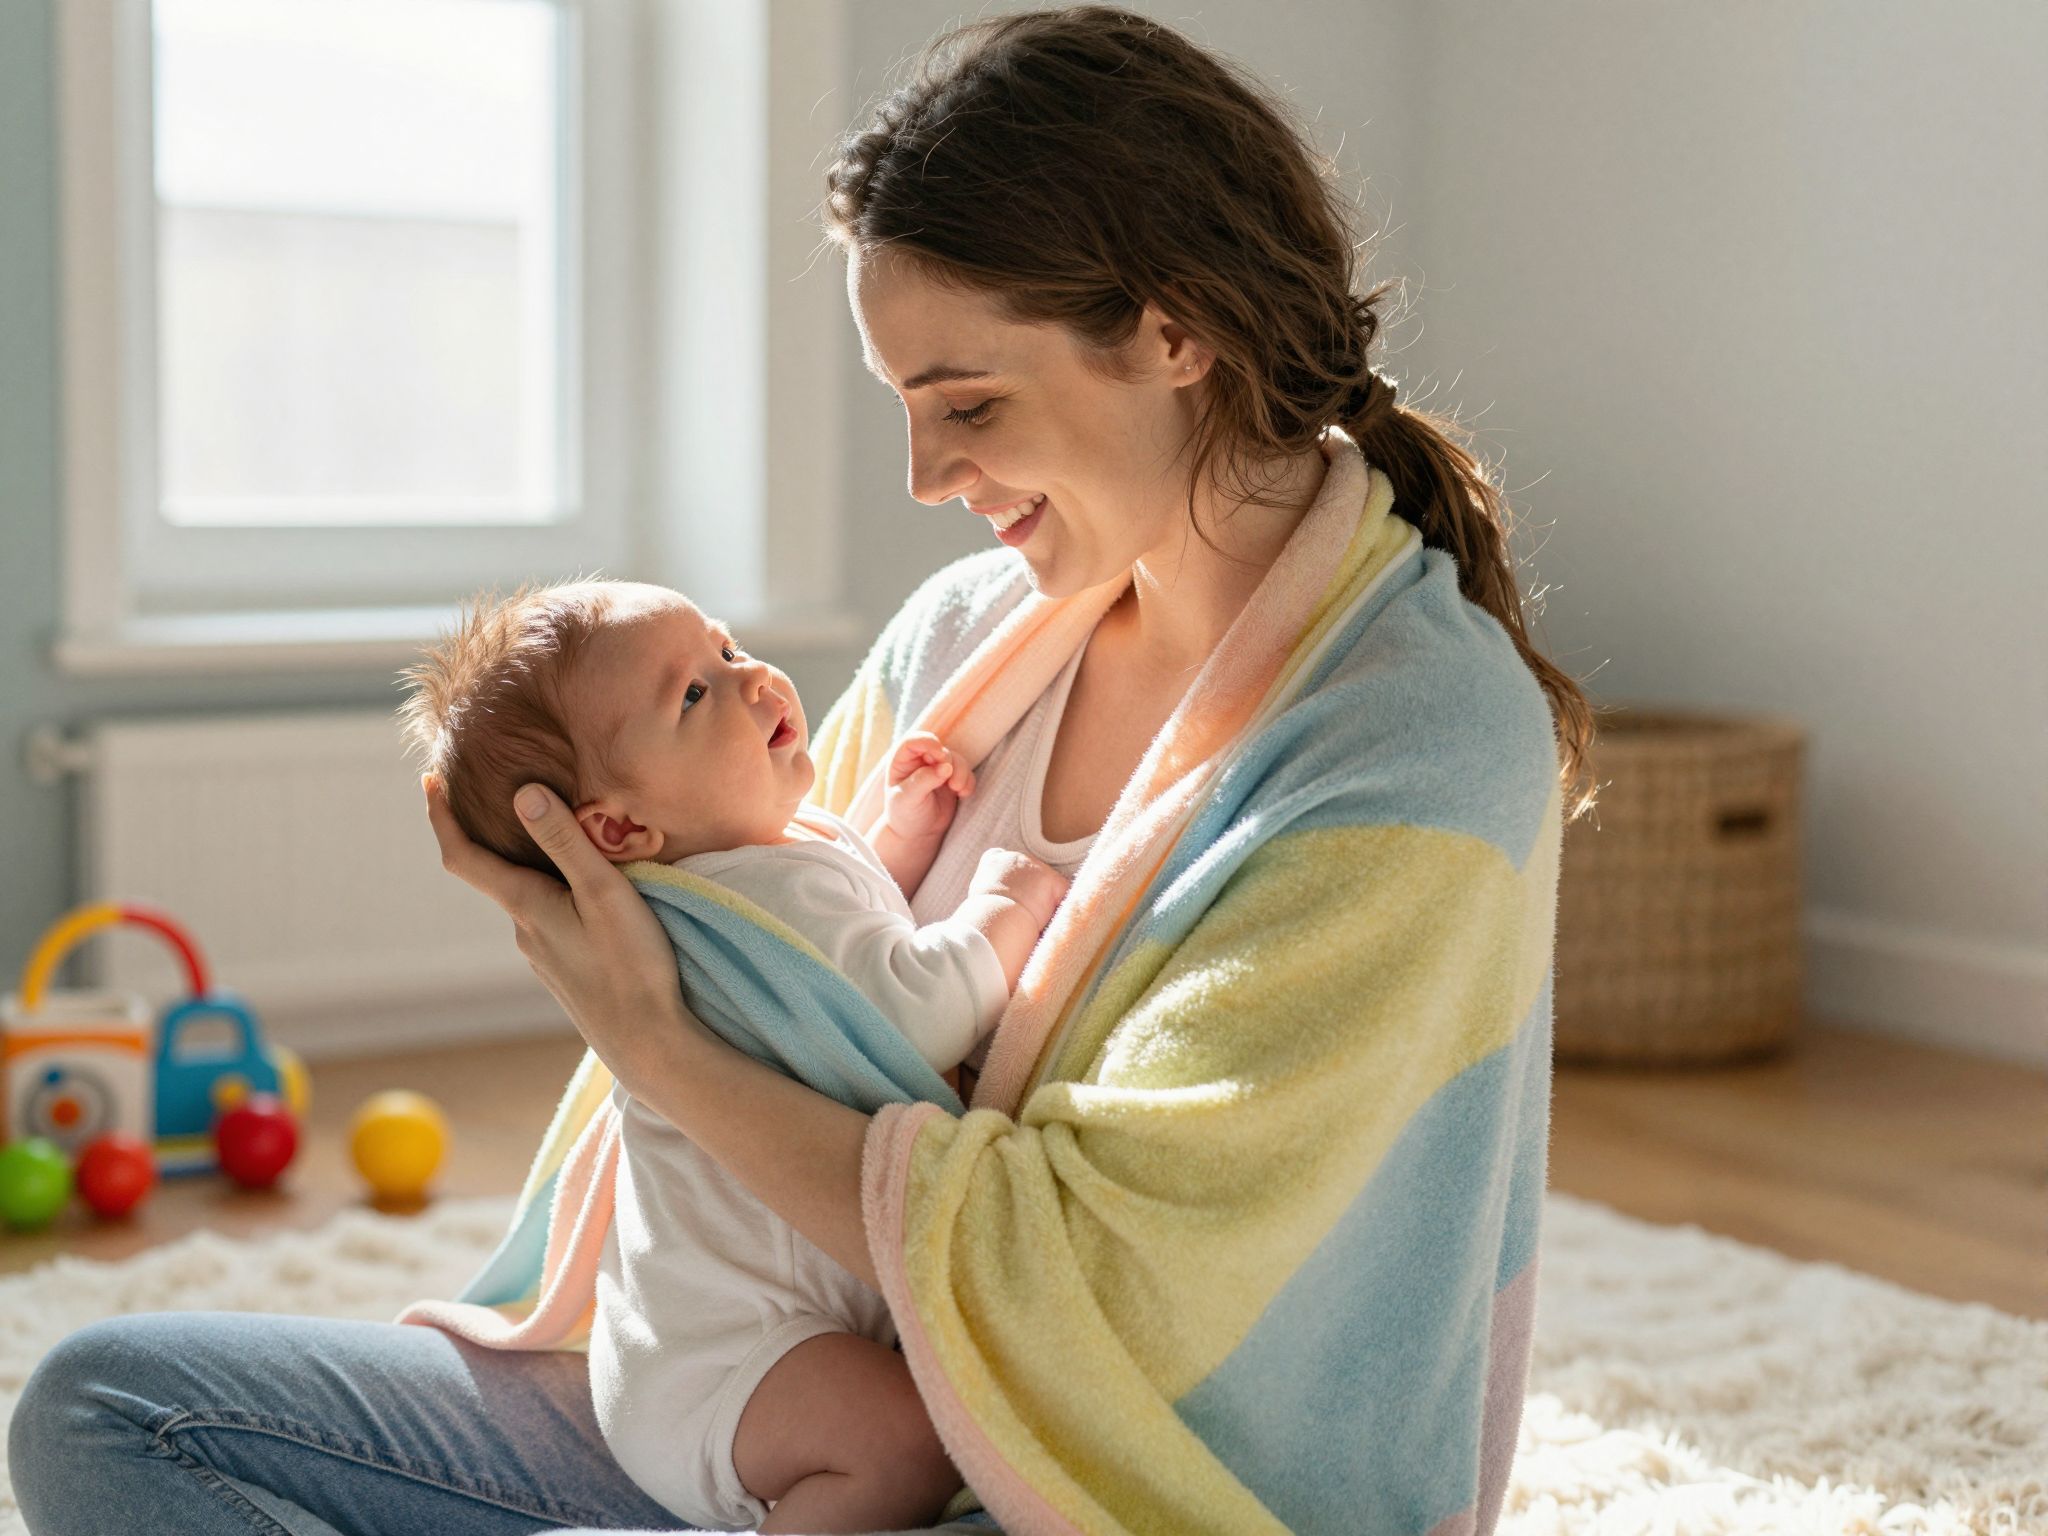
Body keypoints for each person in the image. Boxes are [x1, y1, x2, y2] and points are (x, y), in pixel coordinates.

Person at [10, 8, 1594, 1535]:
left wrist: (649, 1039)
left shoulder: (1412, 748)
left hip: (1101, 1483)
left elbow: (1097, 1289)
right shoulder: (968, 631)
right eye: (906, 407)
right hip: (807, 1401)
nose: (925, 475)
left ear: (1175, 333)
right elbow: (770, 942)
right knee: (105, 1407)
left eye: (968, 404)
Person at [393, 578, 1067, 1532]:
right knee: (905, 1445)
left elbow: (838, 964)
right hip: (736, 1364)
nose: (751, 679)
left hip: (696, 1348)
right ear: (619, 829)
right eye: (693, 694)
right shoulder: (749, 900)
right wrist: (1008, 907)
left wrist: (902, 837)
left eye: (727, 648)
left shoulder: (744, 869)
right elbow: (910, 1012)